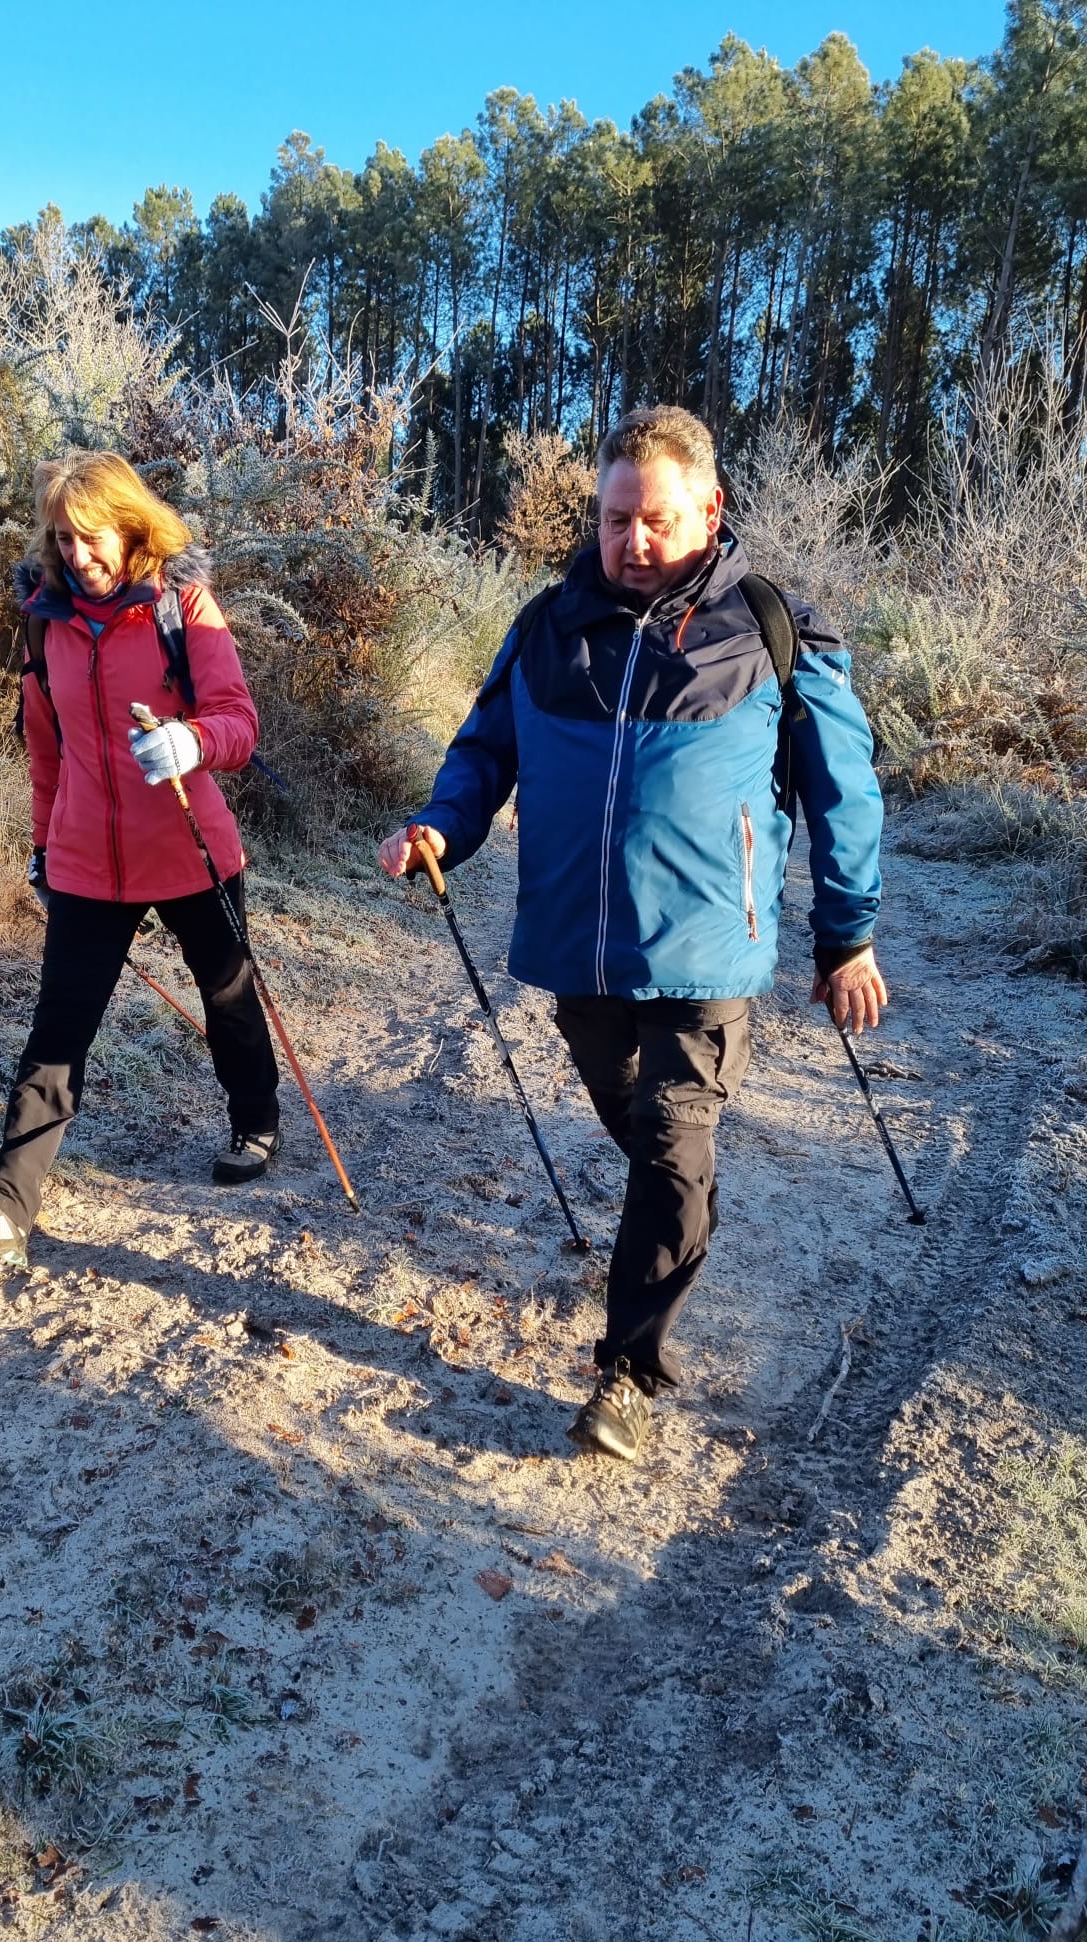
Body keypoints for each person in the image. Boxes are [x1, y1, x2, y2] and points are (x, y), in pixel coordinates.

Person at [378, 405, 886, 1463]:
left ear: (710, 509)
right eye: (616, 520)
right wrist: (440, 825)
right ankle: (673, 1214)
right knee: (641, 1128)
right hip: (580, 950)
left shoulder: (773, 628)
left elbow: (847, 793)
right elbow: (483, 754)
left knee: (670, 1138)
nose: (634, 542)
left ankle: (630, 1373)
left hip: (707, 953)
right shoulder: (546, 626)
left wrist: (848, 937)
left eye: (656, 520)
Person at [0, 452, 280, 1267]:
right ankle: (6, 1213)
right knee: (58, 1031)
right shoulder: (44, 619)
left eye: (92, 538)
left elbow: (238, 721)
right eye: (63, 539)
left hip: (191, 847)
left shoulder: (181, 605)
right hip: (87, 859)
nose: (79, 556)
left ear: (129, 529)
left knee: (228, 996)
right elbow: (44, 752)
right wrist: (43, 846)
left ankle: (255, 1120)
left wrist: (191, 739)